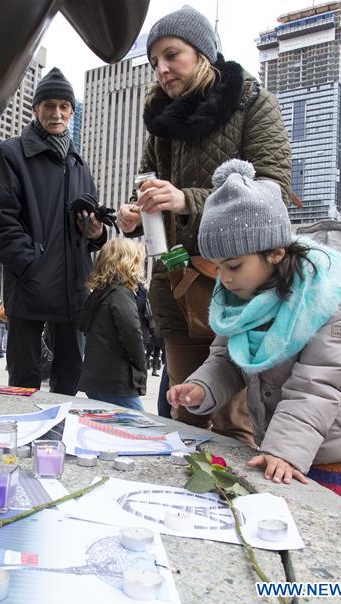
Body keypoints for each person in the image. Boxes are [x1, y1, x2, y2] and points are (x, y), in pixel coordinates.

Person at [115, 6, 290, 445]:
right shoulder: (160, 126)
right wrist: (137, 216)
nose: (162, 68)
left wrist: (185, 199)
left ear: (204, 53)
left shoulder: (253, 103)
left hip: (238, 286)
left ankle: (240, 507)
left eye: (172, 54)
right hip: (177, 284)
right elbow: (150, 191)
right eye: (155, 61)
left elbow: (273, 192)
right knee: (184, 413)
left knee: (236, 425)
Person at [167, 160, 341, 507]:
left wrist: (283, 450)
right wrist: (202, 387)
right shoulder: (241, 296)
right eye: (218, 267)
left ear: (275, 252)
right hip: (281, 444)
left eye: (234, 265)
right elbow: (228, 358)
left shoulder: (327, 293)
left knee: (326, 533)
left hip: (337, 447)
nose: (224, 279)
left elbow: (320, 382)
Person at [0, 67, 106, 394]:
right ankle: (18, 445)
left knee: (69, 382)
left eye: (64, 107)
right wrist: (32, 263)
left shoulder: (79, 164)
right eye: (49, 105)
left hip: (73, 290)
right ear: (36, 109)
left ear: (72, 113)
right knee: (23, 382)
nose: (57, 113)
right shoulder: (11, 154)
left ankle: (59, 443)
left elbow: (84, 229)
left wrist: (95, 234)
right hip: (30, 286)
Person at [77, 238, 147, 411]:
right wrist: (141, 367)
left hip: (95, 378)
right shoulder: (121, 294)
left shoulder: (100, 294)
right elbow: (132, 333)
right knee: (140, 426)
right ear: (129, 262)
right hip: (116, 380)